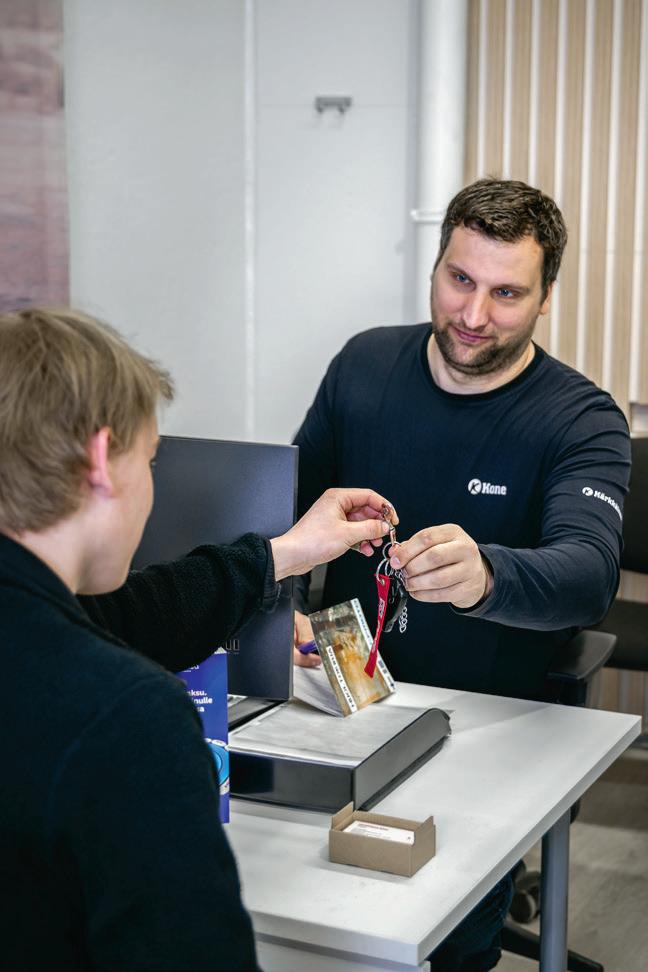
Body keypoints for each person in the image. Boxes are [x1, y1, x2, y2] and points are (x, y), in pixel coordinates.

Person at [292, 178, 631, 970]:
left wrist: (486, 577)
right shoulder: (364, 365)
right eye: (460, 279)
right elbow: (288, 512)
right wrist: (280, 609)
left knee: (443, 936)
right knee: (296, 907)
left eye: (506, 293)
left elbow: (588, 576)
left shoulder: (581, 419)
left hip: (490, 721)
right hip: (346, 697)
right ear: (437, 264)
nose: (474, 315)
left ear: (546, 297)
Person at [0, 306, 397, 972]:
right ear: (101, 460)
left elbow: (134, 614)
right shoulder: (127, 719)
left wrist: (282, 554)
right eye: (149, 459)